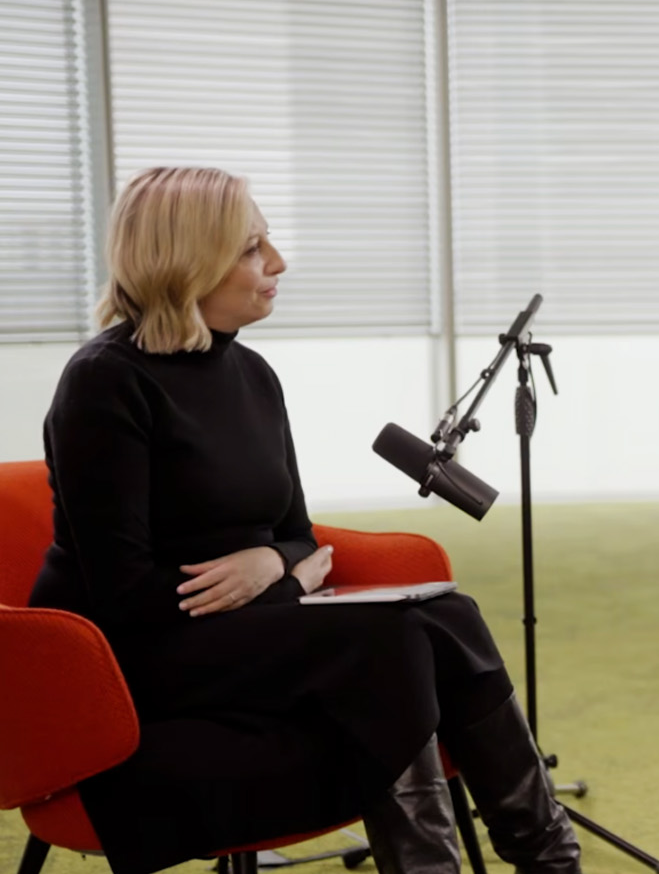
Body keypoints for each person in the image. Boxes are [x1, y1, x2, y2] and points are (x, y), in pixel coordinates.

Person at [29, 167, 583, 874]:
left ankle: (551, 862)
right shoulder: (105, 381)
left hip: (240, 627)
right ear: (188, 260)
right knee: (389, 642)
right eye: (252, 247)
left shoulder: (253, 375)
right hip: (130, 653)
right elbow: (127, 594)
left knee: (451, 615)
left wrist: (272, 562)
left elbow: (295, 529)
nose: (277, 264)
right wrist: (286, 583)